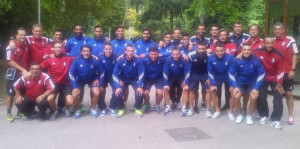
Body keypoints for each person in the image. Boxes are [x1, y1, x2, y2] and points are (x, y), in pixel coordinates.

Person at [253, 36, 285, 130]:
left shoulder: (278, 54)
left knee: (278, 98)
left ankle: (276, 119)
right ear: (264, 43)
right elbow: (248, 55)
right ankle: (264, 115)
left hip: (275, 78)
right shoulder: (257, 52)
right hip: (262, 77)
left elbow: (281, 70)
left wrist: (279, 83)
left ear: (273, 43)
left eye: (271, 43)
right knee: (261, 97)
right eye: (267, 43)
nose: (269, 45)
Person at [229, 43, 265, 124]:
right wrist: (235, 86)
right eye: (244, 50)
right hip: (240, 80)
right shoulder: (236, 60)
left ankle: (249, 116)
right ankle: (239, 115)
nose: (246, 51)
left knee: (253, 97)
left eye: (248, 50)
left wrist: (256, 87)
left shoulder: (256, 60)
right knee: (236, 96)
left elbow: (261, 74)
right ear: (241, 50)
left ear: (251, 51)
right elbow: (231, 73)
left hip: (252, 81)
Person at [273, 22, 298, 125]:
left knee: (288, 93)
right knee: (277, 94)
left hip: (287, 72)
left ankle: (290, 115)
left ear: (283, 30)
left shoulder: (290, 40)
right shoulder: (272, 41)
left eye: (279, 29)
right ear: (274, 31)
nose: (277, 31)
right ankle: (276, 115)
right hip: (276, 73)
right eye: (275, 29)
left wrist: (293, 69)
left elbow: (294, 55)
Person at [40, 41, 75, 117]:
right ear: (53, 49)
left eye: (60, 47)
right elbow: (39, 68)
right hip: (54, 83)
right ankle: (55, 111)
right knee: (50, 98)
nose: (58, 49)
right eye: (56, 47)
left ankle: (67, 109)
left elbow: (80, 59)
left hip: (66, 84)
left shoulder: (68, 57)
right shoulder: (49, 59)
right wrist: (29, 72)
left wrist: (92, 56)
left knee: (70, 101)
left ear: (62, 48)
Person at [69, 45, 102, 119]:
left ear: (90, 52)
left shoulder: (95, 60)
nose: (86, 53)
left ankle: (92, 109)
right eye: (84, 51)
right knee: (74, 95)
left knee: (97, 93)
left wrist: (98, 79)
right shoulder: (77, 61)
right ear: (81, 52)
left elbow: (102, 72)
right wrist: (74, 87)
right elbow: (71, 74)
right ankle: (78, 109)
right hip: (80, 80)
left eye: (88, 51)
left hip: (92, 79)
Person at [238, 24, 264, 116]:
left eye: (255, 29)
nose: (253, 31)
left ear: (258, 31)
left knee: (256, 92)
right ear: (249, 31)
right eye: (251, 30)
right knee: (245, 92)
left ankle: (255, 109)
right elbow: (239, 56)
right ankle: (244, 108)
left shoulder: (263, 42)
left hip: (259, 70)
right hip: (247, 70)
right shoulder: (244, 43)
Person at [112, 45, 145, 117]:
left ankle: (137, 108)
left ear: (134, 52)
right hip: (123, 79)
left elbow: (141, 73)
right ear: (125, 51)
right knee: (117, 92)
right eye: (128, 51)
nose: (130, 52)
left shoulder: (138, 60)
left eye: (132, 51)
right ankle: (121, 109)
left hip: (134, 79)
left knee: (140, 91)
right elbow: (114, 73)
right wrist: (117, 86)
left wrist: (139, 85)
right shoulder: (120, 60)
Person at [5, 28, 30, 123]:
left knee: (22, 93)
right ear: (16, 36)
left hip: (23, 75)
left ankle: (20, 111)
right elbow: (10, 62)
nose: (23, 36)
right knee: (11, 94)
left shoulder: (26, 45)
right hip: (14, 74)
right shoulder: (11, 46)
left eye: (24, 35)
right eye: (20, 35)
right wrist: (23, 69)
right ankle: (8, 113)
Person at [207, 42, 234, 118]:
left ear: (224, 50)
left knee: (231, 92)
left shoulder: (230, 57)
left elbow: (233, 71)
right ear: (214, 51)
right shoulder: (211, 58)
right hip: (217, 76)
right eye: (217, 51)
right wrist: (213, 84)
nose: (220, 53)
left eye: (221, 51)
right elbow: (210, 72)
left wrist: (232, 84)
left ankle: (230, 111)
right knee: (213, 91)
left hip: (228, 76)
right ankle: (217, 110)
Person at [163, 47, 191, 116]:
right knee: (166, 89)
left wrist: (186, 83)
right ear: (171, 54)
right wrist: (165, 84)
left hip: (181, 77)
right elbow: (165, 73)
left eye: (177, 54)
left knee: (185, 89)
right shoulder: (168, 60)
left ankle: (184, 107)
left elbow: (187, 72)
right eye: (174, 54)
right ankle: (167, 107)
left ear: (180, 54)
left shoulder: (184, 59)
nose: (175, 56)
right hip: (171, 77)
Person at [188, 42, 210, 116]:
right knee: (192, 90)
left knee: (207, 90)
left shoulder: (209, 55)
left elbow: (211, 68)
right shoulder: (191, 55)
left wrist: (209, 78)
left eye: (203, 49)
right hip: (194, 73)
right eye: (199, 49)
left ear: (206, 48)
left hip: (205, 73)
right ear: (196, 48)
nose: (201, 50)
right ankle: (192, 108)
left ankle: (207, 109)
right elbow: (187, 68)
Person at [142, 47, 166, 114]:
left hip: (158, 78)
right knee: (145, 93)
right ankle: (148, 105)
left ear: (158, 54)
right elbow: (134, 57)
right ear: (148, 54)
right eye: (151, 54)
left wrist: (182, 55)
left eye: (155, 54)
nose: (153, 56)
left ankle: (157, 105)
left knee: (160, 93)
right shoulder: (144, 60)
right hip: (148, 79)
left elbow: (171, 54)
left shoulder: (162, 59)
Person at [97, 43, 118, 116]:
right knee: (100, 90)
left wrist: (119, 79)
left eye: (110, 49)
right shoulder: (99, 57)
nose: (108, 50)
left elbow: (118, 69)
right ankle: (103, 108)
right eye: (106, 49)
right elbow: (99, 71)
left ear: (112, 49)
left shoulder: (116, 57)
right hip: (103, 76)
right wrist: (101, 83)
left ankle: (112, 107)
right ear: (103, 50)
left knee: (117, 90)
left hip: (112, 76)